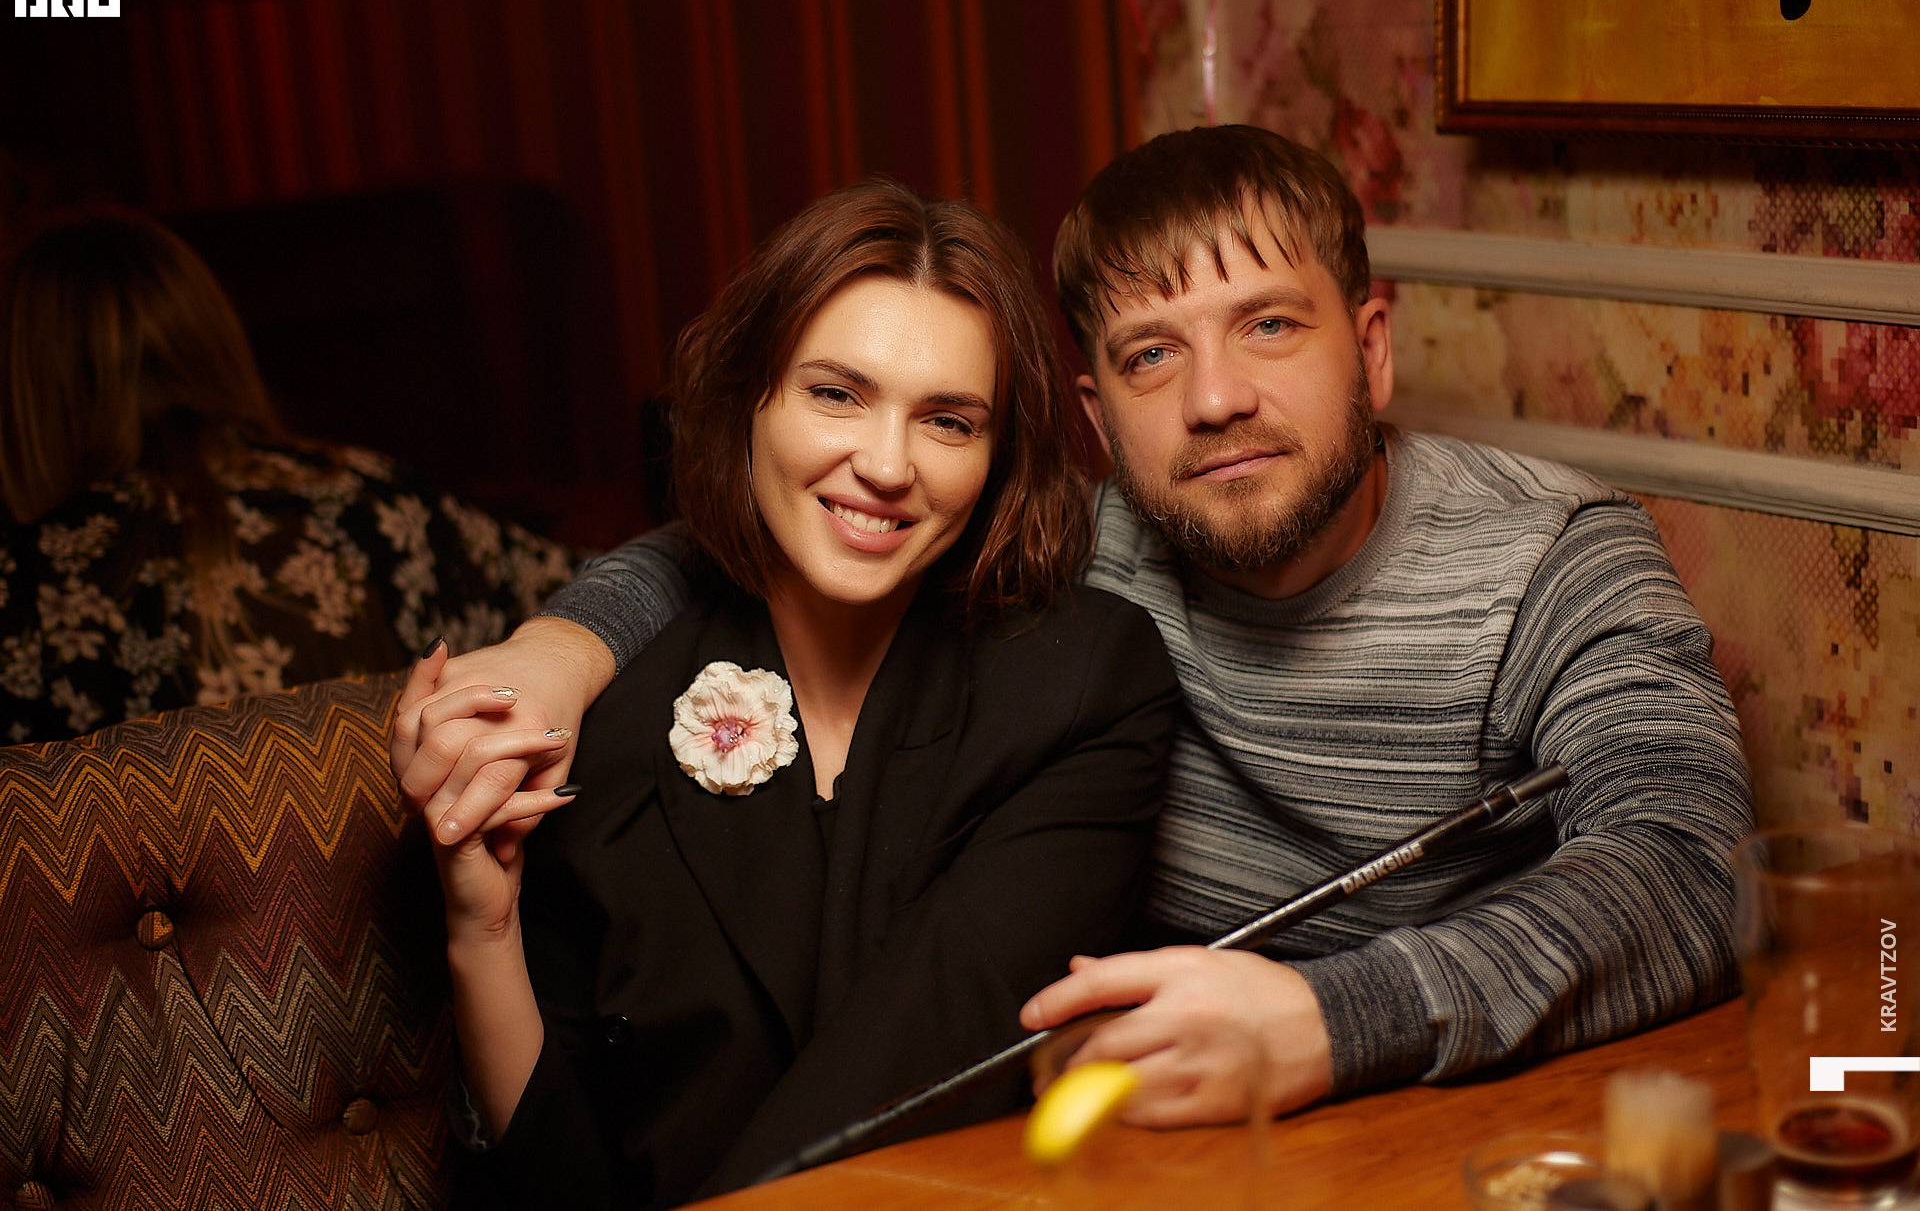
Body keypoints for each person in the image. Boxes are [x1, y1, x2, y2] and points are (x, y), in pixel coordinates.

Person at [400, 127, 1753, 1132]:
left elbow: (1692, 865)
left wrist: (1334, 1020)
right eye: (1153, 352)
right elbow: (764, 541)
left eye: (1268, 326)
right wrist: (561, 651)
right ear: (1097, 419)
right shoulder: (1083, 545)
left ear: (1374, 347)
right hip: (1141, 1149)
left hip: (1460, 1123)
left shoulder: (1551, 562)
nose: (1215, 398)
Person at [389, 179, 1179, 1208]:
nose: (886, 465)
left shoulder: (1078, 688)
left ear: (996, 459)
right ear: (748, 399)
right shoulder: (599, 716)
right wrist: (482, 935)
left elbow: (922, 1060)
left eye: (948, 420)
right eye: (836, 395)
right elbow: (558, 1181)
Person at [0, 208, 575, 744]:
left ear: (27, 390)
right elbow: (583, 585)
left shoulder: (30, 577)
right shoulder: (376, 498)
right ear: (211, 340)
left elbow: (600, 599)